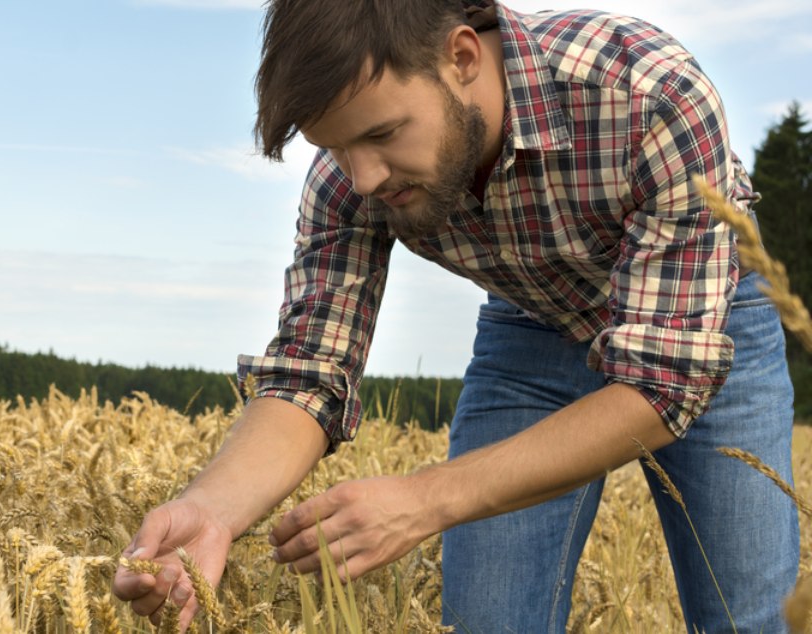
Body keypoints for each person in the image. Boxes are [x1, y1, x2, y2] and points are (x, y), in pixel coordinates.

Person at [112, 0, 800, 631]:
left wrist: (425, 499)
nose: (364, 180)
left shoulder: (649, 91)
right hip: (532, 327)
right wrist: (213, 511)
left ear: (462, 57)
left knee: (748, 617)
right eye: (335, 148)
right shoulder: (350, 178)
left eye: (383, 133)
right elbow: (308, 374)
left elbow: (661, 383)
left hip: (705, 328)